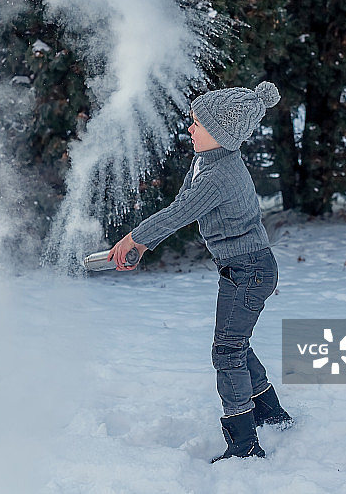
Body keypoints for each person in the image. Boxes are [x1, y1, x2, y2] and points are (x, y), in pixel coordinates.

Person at [108, 82, 293, 461]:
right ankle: (270, 412)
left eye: (197, 123)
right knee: (234, 344)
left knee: (227, 351)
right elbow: (181, 201)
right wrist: (140, 242)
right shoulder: (206, 161)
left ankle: (244, 444)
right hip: (243, 268)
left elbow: (181, 214)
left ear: (222, 132)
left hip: (249, 270)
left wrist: (137, 239)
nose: (189, 128)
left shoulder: (220, 174)